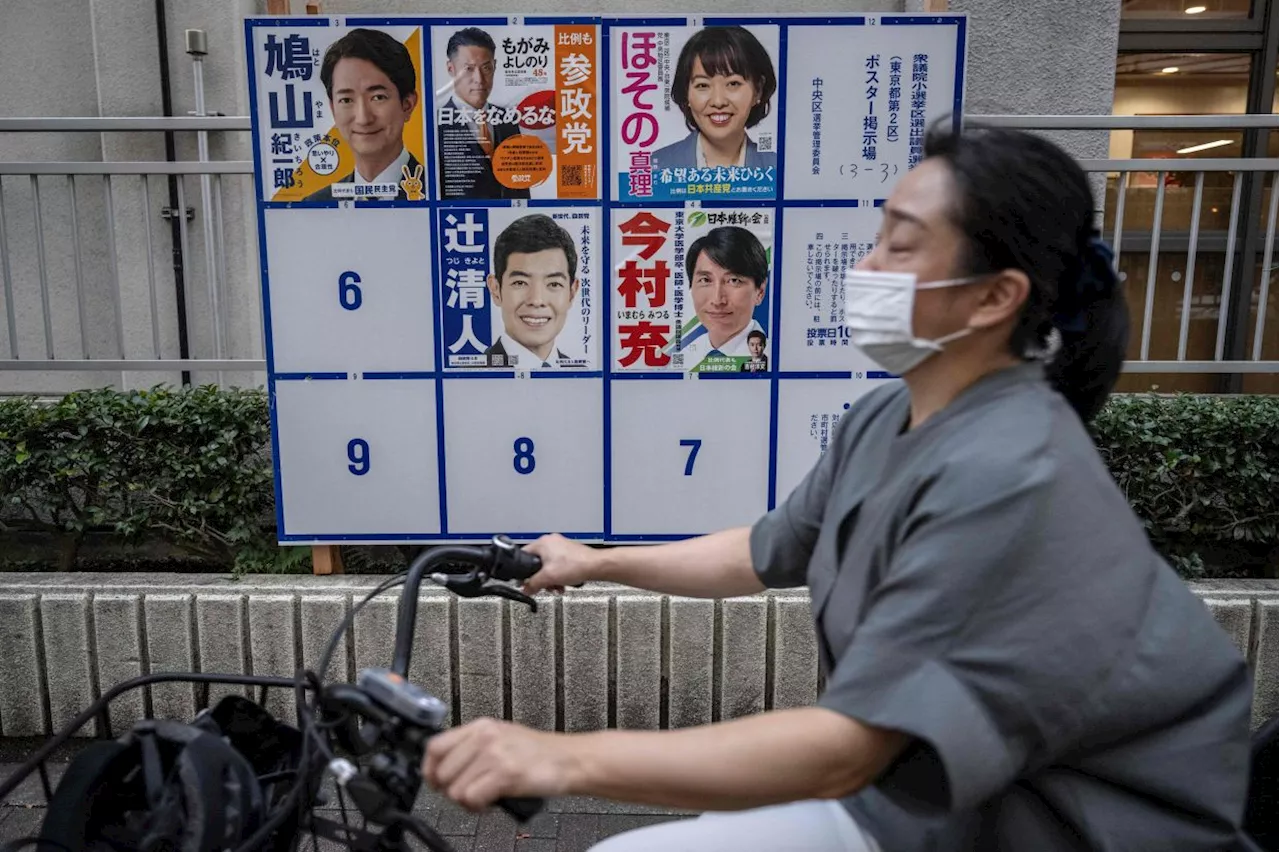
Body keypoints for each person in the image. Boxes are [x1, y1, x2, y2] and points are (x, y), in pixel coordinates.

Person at [419, 121, 1256, 851]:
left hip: (1058, 828)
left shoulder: (1015, 469)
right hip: (926, 806)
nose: (867, 264)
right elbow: (762, 550)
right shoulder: (887, 416)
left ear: (997, 296)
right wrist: (591, 562)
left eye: (901, 241)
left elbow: (850, 746)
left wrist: (562, 756)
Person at [304, 28, 422, 202]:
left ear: (407, 104)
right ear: (333, 109)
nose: (363, 118)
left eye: (378, 97)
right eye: (346, 100)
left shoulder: (450, 198)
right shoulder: (316, 205)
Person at [650, 26, 778, 173]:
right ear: (686, 93)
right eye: (703, 85)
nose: (718, 101)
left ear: (758, 90)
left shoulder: (779, 170)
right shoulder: (655, 168)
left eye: (733, 83)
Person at [436, 27, 529, 200]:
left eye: (486, 68)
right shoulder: (435, 125)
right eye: (469, 69)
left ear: (495, 67)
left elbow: (520, 186)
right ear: (451, 69)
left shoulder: (507, 119)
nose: (479, 79)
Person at [484, 214, 582, 369]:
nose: (537, 300)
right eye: (520, 283)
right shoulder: (469, 377)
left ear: (572, 292)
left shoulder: (583, 375)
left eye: (554, 284)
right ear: (495, 290)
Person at [678, 225, 769, 371]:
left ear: (760, 292)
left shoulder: (777, 359)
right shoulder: (683, 357)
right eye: (706, 280)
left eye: (734, 280)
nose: (717, 300)